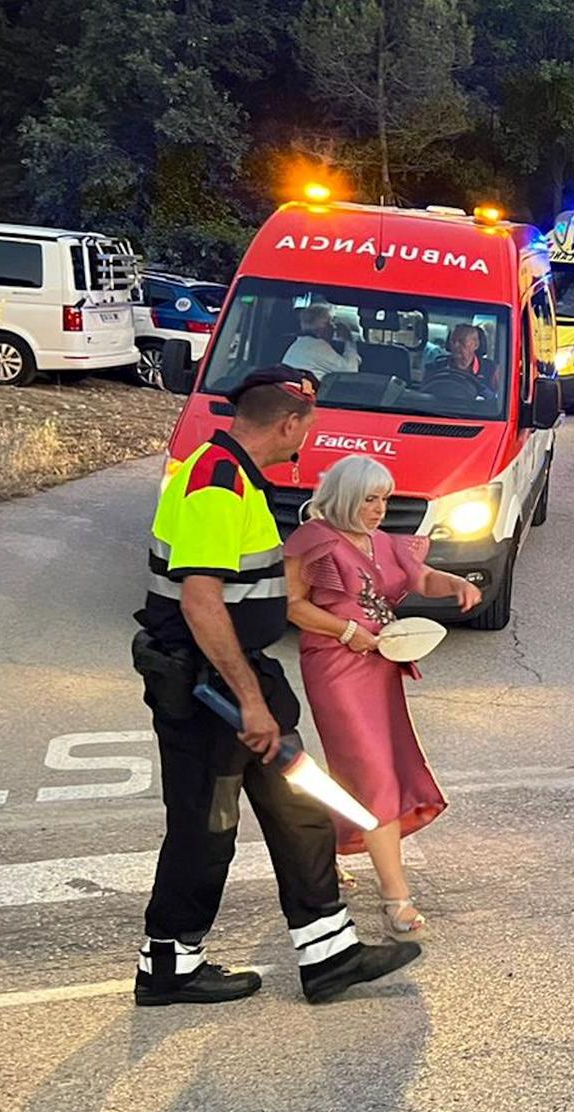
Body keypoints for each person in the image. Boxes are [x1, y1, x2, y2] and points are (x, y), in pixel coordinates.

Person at [129, 365, 422, 1006]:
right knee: (206, 828)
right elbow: (202, 600)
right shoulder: (215, 482)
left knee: (302, 810)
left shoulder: (227, 472)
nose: (307, 440)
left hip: (235, 679)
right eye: (307, 427)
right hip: (212, 688)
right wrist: (251, 703)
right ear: (289, 423)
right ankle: (168, 966)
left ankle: (330, 955)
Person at [284, 455, 481, 938]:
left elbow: (422, 577)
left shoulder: (383, 542)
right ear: (346, 496)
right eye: (370, 499)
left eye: (384, 498)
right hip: (336, 668)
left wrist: (455, 583)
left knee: (369, 767)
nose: (379, 508)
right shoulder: (313, 540)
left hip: (381, 665)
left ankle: (321, 854)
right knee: (373, 775)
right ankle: (396, 898)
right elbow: (292, 605)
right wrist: (349, 630)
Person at [421, 323, 498, 400]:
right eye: (453, 341)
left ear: (475, 345)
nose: (455, 345)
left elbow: (495, 401)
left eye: (461, 341)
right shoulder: (435, 366)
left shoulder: (491, 370)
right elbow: (423, 395)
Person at [282, 305, 362, 377]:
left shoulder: (298, 344)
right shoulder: (317, 347)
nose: (333, 327)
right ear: (321, 329)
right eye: (329, 323)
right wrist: (348, 340)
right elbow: (350, 372)